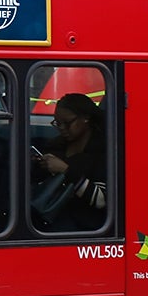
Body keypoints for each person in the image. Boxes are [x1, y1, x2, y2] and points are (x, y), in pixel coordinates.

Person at [31, 91, 107, 232]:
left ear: (85, 118)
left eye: (67, 123)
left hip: (86, 226)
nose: (62, 128)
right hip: (51, 216)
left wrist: (65, 170)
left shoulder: (103, 151)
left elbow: (101, 200)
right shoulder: (56, 146)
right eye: (57, 123)